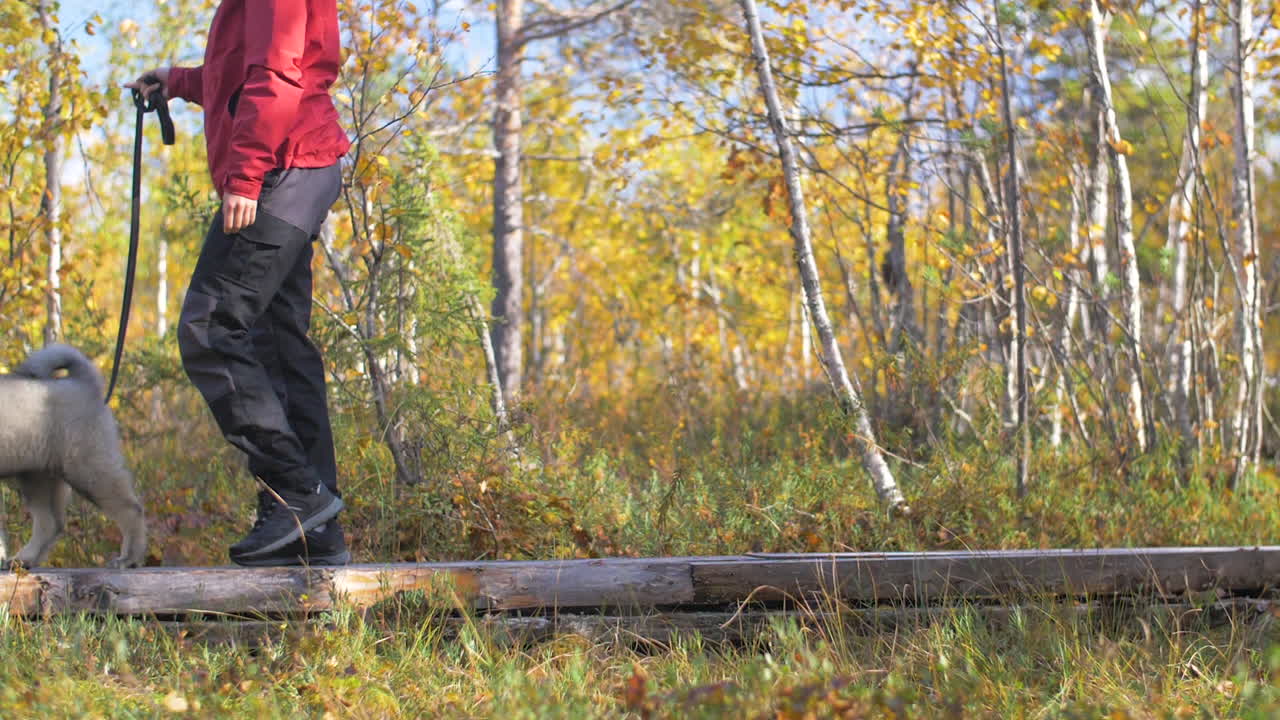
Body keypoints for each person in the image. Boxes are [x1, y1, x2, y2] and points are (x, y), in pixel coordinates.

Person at [127, 0, 352, 566]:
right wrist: (178, 82)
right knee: (276, 342)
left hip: (282, 167)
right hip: (300, 165)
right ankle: (314, 530)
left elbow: (276, 74)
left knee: (210, 327)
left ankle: (297, 494)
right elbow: (243, 72)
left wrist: (246, 175)